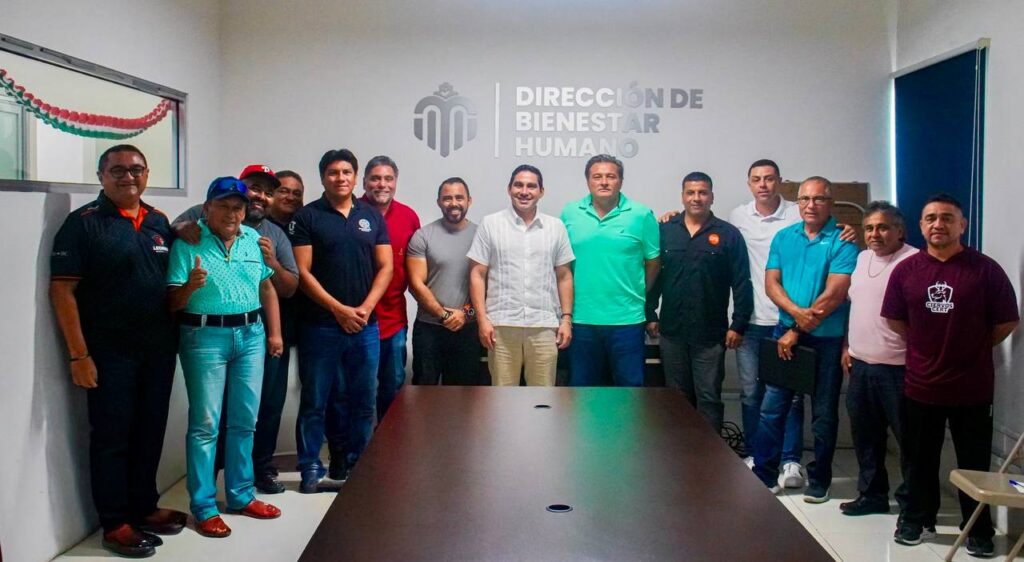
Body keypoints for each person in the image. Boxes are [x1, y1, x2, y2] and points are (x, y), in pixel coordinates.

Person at [50, 145, 187, 558]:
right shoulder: (82, 224)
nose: (128, 176)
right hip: (110, 353)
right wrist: (78, 356)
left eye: (136, 169)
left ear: (147, 174)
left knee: (149, 431)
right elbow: (62, 291)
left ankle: (143, 507)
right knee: (112, 438)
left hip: (158, 350)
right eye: (118, 170)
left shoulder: (158, 222)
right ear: (101, 176)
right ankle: (115, 523)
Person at [884, 193, 1018, 557]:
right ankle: (916, 520)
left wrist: (971, 347)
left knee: (974, 463)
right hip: (921, 384)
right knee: (919, 460)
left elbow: (1007, 321)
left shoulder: (985, 270)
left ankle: (977, 530)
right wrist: (926, 346)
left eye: (946, 218)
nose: (938, 224)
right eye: (930, 218)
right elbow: (895, 319)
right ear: (921, 225)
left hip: (972, 387)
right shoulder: (906, 270)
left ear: (962, 225)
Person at [171, 164, 299, 494]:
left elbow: (271, 287)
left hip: (251, 335)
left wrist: (274, 333)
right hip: (205, 337)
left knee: (246, 420)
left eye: (237, 207)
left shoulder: (258, 238)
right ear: (207, 207)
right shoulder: (191, 236)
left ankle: (241, 493)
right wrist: (190, 285)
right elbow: (171, 300)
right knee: (207, 424)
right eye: (224, 206)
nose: (232, 213)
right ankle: (203, 501)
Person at [290, 149, 393, 492]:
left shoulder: (371, 216)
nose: (340, 178)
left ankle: (357, 465)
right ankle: (310, 468)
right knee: (316, 401)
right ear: (323, 177)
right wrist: (339, 310)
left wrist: (364, 308)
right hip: (320, 326)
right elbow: (303, 273)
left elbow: (386, 266)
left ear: (355, 176)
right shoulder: (308, 217)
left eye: (347, 172)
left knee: (363, 402)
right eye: (333, 172)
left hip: (365, 326)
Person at [751, 176, 858, 504]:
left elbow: (836, 292)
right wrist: (796, 316)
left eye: (819, 199)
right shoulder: (784, 237)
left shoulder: (843, 239)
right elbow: (772, 283)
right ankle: (765, 474)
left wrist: (798, 328)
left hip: (825, 340)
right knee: (772, 409)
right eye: (805, 199)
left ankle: (820, 480)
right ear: (797, 202)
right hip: (783, 335)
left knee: (823, 414)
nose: (811, 205)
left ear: (830, 202)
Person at [646, 171, 753, 433]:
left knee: (709, 399)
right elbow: (654, 275)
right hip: (672, 332)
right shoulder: (665, 231)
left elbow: (741, 282)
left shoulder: (728, 234)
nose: (697, 198)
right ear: (682, 196)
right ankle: (678, 453)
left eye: (703, 193)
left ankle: (709, 456)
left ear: (712, 197)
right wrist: (650, 313)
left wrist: (738, 324)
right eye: (691, 192)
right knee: (676, 399)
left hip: (710, 335)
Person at [840, 201, 917, 517]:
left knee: (909, 441)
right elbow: (857, 308)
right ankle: (872, 495)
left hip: (899, 369)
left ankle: (914, 505)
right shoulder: (862, 258)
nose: (875, 234)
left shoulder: (915, 262)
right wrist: (848, 346)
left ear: (899, 231)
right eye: (869, 228)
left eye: (883, 227)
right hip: (860, 365)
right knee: (866, 437)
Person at [468, 165, 575, 386]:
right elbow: (477, 274)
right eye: (518, 185)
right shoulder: (491, 224)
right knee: (502, 398)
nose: (524, 191)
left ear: (541, 191)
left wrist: (566, 319)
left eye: (531, 186)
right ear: (509, 189)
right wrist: (482, 320)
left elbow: (564, 276)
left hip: (544, 326)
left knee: (543, 397)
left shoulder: (556, 227)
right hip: (501, 326)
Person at [561, 154, 659, 387]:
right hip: (581, 319)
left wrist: (635, 292)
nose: (604, 182)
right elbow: (562, 266)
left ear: (621, 181)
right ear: (588, 181)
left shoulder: (641, 215)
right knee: (581, 392)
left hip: (627, 320)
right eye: (597, 177)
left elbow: (653, 263)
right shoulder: (569, 213)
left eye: (611, 177)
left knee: (630, 392)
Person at [360, 156, 421, 419]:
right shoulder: (351, 211)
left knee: (393, 388)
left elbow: (417, 270)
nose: (382, 184)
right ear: (364, 181)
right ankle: (358, 443)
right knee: (357, 390)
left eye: (388, 179)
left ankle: (390, 441)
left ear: (395, 182)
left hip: (394, 320)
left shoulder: (408, 217)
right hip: (356, 319)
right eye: (375, 178)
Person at [407, 177, 484, 385]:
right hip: (429, 330)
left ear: (469, 200)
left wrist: (465, 314)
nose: (454, 203)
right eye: (447, 198)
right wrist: (444, 315)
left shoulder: (482, 236)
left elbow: (489, 286)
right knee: (424, 394)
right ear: (439, 202)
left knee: (463, 395)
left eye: (459, 197)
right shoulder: (423, 236)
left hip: (468, 329)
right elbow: (415, 284)